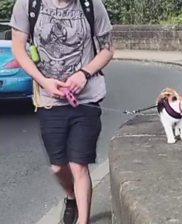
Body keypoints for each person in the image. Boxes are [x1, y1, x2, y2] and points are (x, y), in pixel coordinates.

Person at [10, 0, 114, 223]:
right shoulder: (28, 4)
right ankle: (71, 196)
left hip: (86, 99)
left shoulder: (91, 5)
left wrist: (84, 74)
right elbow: (18, 49)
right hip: (49, 99)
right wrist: (43, 81)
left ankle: (82, 220)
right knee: (58, 166)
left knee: (79, 164)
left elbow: (108, 49)